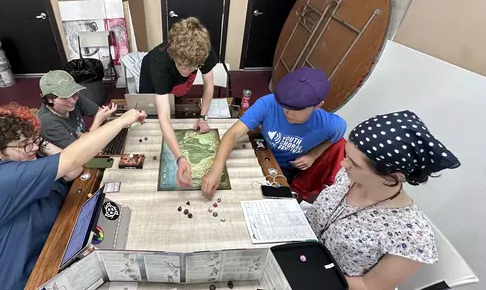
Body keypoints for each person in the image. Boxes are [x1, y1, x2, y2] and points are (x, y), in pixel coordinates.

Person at [0, 103, 146, 290]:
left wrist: (39, 143)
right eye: (23, 145)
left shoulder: (21, 161)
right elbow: (72, 159)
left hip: (43, 253)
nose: (32, 149)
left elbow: (73, 171)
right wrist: (122, 120)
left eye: (33, 140)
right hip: (12, 281)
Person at [307, 111, 460, 289]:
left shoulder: (411, 234)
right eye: (346, 155)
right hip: (301, 252)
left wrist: (313, 273)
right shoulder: (349, 177)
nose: (343, 164)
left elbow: (368, 286)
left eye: (355, 164)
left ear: (392, 177)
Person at [202, 67, 346, 198]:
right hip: (261, 153)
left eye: (297, 109)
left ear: (317, 106)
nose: (288, 113)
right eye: (284, 106)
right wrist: (217, 167)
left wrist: (314, 155)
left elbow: (337, 136)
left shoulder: (330, 124)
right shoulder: (268, 103)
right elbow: (233, 134)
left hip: (286, 170)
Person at [139, 17, 218, 186]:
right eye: (182, 65)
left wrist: (202, 117)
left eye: (193, 67)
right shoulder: (158, 63)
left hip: (175, 83)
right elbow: (164, 119)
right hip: (152, 78)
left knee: (177, 95)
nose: (187, 71)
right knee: (150, 119)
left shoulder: (203, 50)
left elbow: (208, 85)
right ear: (173, 53)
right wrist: (180, 158)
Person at [38, 70, 118, 148]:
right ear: (49, 99)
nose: (72, 101)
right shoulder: (48, 124)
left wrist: (86, 135)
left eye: (74, 93)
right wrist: (97, 121)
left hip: (83, 142)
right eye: (65, 97)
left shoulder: (75, 98)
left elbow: (99, 111)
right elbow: (80, 151)